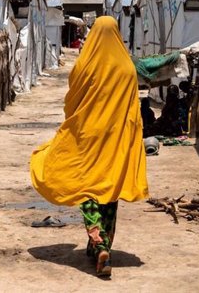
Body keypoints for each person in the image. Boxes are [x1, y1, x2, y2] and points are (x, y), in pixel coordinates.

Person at [30, 16, 149, 277]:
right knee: (109, 190)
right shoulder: (127, 67)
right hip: (117, 138)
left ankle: (97, 242)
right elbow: (133, 109)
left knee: (88, 188)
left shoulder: (85, 63)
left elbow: (72, 99)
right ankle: (101, 246)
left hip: (88, 135)